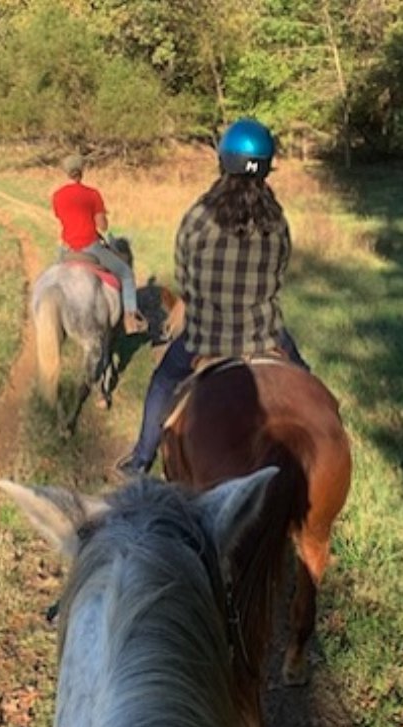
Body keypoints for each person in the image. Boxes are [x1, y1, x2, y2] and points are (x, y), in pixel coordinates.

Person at [116, 117, 310, 477]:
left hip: (205, 334)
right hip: (265, 333)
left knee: (162, 382)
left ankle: (140, 460)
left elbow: (186, 278)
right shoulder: (278, 219)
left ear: (224, 160)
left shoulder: (199, 215)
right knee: (308, 385)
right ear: (266, 167)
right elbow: (278, 273)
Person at [52, 153, 144, 334]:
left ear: (66, 172)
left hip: (67, 249)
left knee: (54, 281)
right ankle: (130, 319)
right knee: (126, 274)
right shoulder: (92, 194)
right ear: (82, 171)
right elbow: (102, 225)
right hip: (90, 247)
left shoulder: (57, 195)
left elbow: (60, 217)